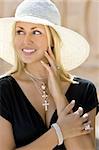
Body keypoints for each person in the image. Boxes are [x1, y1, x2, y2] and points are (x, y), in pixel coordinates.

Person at [0, 0, 98, 150]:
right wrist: (59, 132)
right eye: (20, 31)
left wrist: (59, 96)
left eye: (36, 32)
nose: (26, 40)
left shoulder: (84, 91)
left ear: (52, 39)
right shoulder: (4, 90)